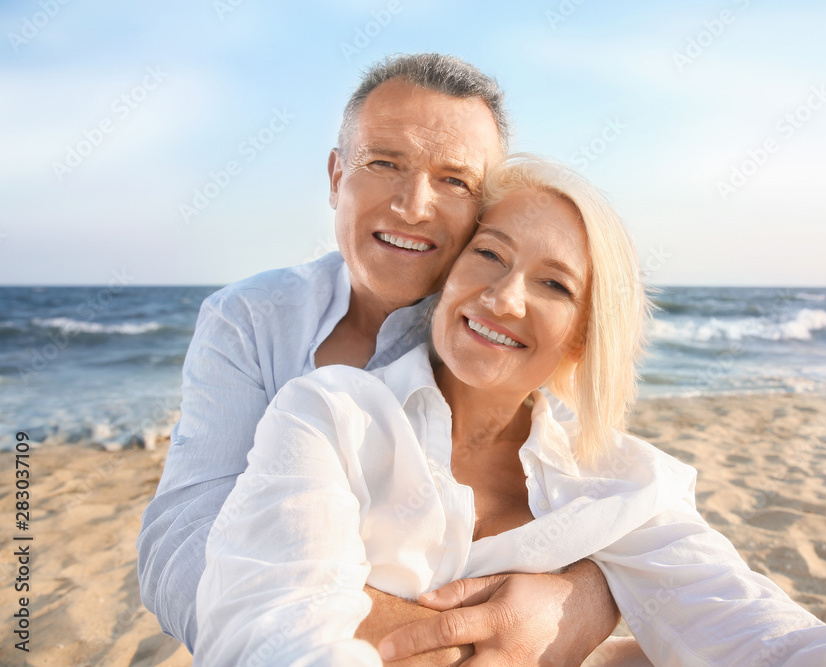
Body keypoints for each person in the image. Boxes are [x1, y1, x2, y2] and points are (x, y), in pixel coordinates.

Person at [196, 155, 826, 666]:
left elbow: (762, 635)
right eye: (489, 255)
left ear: (582, 338)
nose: (504, 297)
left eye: (554, 285)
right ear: (448, 277)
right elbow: (274, 619)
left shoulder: (621, 485)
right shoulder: (330, 414)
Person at [137, 54, 620, 663]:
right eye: (384, 163)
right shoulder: (249, 320)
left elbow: (602, 502)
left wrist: (589, 595)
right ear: (337, 176)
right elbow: (179, 544)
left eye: (455, 180)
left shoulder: (501, 333)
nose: (415, 205)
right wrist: (437, 638)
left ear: (486, 207)